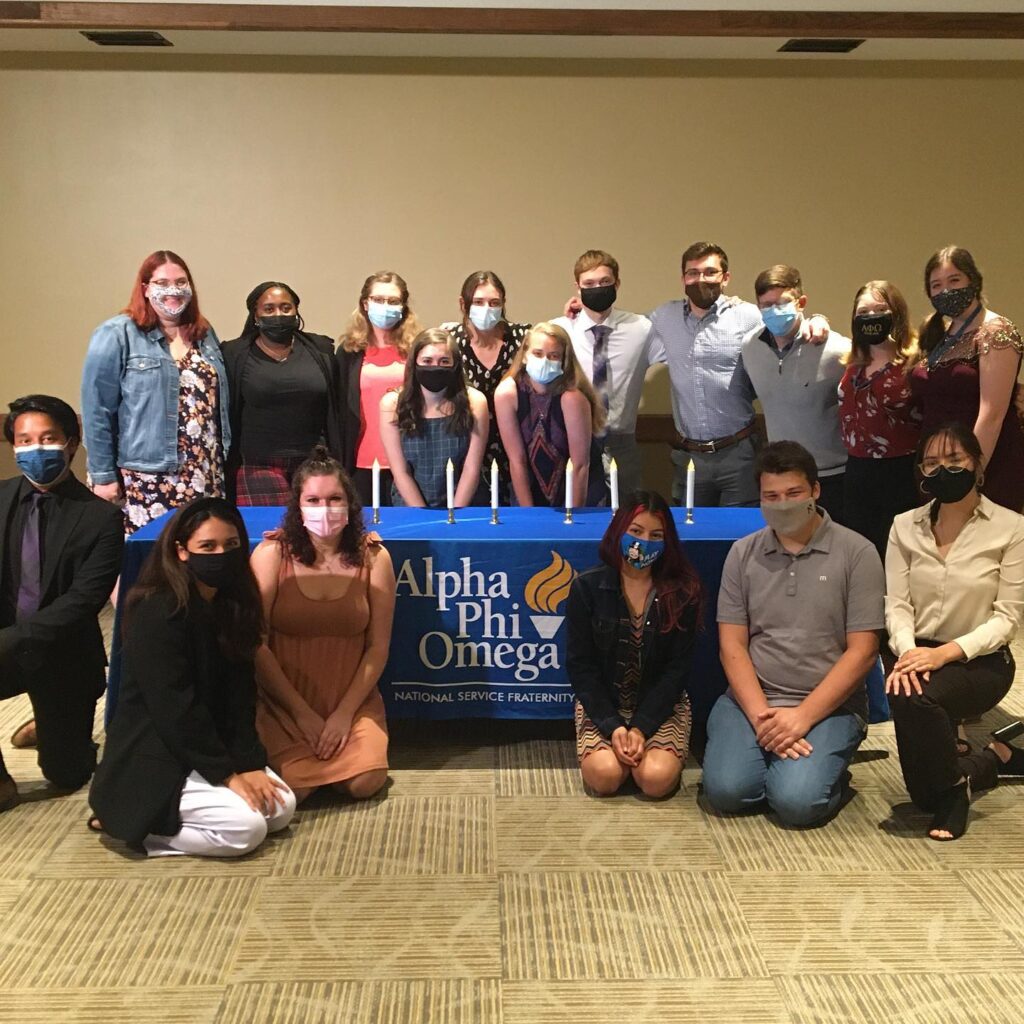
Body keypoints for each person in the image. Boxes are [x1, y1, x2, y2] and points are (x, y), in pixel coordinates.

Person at [89, 498, 296, 856]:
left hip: (209, 746)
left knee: (281, 808)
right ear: (181, 551)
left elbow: (240, 694)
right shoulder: (159, 610)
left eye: (231, 545)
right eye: (208, 546)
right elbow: (175, 710)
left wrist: (249, 764)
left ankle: (168, 814)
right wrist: (228, 776)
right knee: (246, 831)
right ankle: (132, 826)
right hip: (158, 753)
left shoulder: (232, 602)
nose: (222, 555)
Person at [702, 441, 884, 828]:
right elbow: (731, 644)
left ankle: (823, 769)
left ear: (815, 491)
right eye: (771, 496)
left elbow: (864, 652)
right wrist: (760, 717)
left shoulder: (858, 552)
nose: (782, 504)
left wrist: (802, 717)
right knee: (726, 792)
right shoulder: (742, 553)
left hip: (829, 705)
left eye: (793, 494)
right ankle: (782, 756)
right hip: (754, 699)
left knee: (797, 804)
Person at [884, 422, 1024, 840]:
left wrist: (943, 655)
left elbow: (1008, 618)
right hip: (913, 650)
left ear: (977, 465)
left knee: (912, 695)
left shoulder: (1011, 527)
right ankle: (983, 766)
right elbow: (896, 605)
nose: (943, 470)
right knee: (910, 688)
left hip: (979, 660)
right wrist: (911, 653)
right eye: (931, 463)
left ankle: (949, 790)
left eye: (954, 460)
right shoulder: (903, 526)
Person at [0, 396, 123, 813]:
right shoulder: (0, 499)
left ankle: (53, 726)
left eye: (47, 438)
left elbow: (83, 601)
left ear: (71, 444)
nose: (36, 449)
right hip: (6, 642)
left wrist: (12, 639)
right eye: (25, 440)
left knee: (65, 773)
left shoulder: (101, 518)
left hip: (63, 654)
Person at [250, 447, 395, 802]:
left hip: (350, 699)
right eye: (313, 499)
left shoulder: (375, 557)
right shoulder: (271, 556)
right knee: (296, 790)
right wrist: (303, 716)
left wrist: (344, 714)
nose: (325, 509)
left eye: (334, 499)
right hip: (285, 701)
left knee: (367, 782)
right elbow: (256, 642)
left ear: (350, 504)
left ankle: (346, 749)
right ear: (297, 506)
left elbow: (378, 647)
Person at [647, 242, 829, 507]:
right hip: (688, 457)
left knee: (742, 535)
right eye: (693, 273)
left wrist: (817, 318)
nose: (701, 279)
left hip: (739, 453)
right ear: (683, 278)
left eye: (710, 272)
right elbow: (624, 330)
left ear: (725, 277)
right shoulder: (664, 317)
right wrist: (580, 313)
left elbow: (788, 327)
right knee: (690, 537)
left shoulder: (748, 316)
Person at [81, 250, 230, 533]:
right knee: (148, 565)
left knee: (198, 560)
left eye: (180, 281)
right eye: (162, 283)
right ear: (145, 289)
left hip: (205, 473)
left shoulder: (204, 333)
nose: (173, 290)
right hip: (145, 479)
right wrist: (103, 477)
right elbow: (96, 410)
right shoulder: (116, 333)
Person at [566, 490, 702, 797]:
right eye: (636, 532)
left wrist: (641, 726)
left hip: (661, 706)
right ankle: (621, 753)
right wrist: (613, 726)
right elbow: (581, 668)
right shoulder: (586, 587)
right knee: (604, 777)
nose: (644, 542)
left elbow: (677, 671)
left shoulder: (682, 592)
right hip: (604, 705)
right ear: (619, 532)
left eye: (656, 535)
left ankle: (643, 755)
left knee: (655, 781)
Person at [909, 245, 1024, 512]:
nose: (945, 291)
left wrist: (968, 474)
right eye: (936, 285)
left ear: (973, 280)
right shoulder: (940, 333)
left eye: (954, 280)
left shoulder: (995, 330)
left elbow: (992, 413)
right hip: (936, 462)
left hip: (984, 464)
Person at [742, 265, 850, 522]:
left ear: (801, 302)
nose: (774, 310)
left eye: (782, 302)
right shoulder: (750, 348)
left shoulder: (838, 350)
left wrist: (820, 318)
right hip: (783, 479)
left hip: (833, 476)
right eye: (766, 305)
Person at [221, 281, 342, 505]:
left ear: (296, 311)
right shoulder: (234, 354)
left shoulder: (321, 350)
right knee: (269, 531)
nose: (278, 314)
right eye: (269, 309)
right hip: (258, 464)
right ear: (255, 315)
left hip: (314, 461)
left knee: (313, 533)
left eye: (286, 308)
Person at [552, 250, 655, 496]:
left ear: (617, 283)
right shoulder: (560, 329)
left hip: (622, 441)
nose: (597, 288)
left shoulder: (642, 328)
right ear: (577, 287)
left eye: (605, 282)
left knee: (628, 516)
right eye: (589, 284)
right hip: (575, 441)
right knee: (578, 516)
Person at [838, 280, 922, 560]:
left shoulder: (915, 364)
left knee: (898, 556)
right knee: (861, 556)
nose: (871, 316)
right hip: (856, 472)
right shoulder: (851, 364)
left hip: (901, 473)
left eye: (880, 309)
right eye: (864, 311)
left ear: (896, 313)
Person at [494, 322, 606, 508]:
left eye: (553, 356)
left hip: (578, 493)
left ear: (564, 361)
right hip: (528, 490)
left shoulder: (572, 399)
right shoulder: (507, 393)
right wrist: (528, 513)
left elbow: (580, 465)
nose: (545, 361)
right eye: (537, 354)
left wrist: (573, 517)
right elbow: (517, 460)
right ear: (524, 356)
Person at [336, 272, 424, 507]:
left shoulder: (418, 349)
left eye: (393, 301)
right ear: (365, 304)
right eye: (379, 299)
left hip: (410, 460)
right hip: (361, 462)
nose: (386, 306)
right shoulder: (349, 352)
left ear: (404, 306)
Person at [444, 271, 531, 503]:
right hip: (466, 450)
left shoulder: (523, 338)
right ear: (463, 303)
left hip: (517, 451)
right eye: (478, 302)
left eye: (494, 303)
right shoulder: (448, 341)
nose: (487, 308)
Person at [380, 328, 489, 508]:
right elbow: (401, 472)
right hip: (411, 506)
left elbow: (471, 469)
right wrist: (422, 514)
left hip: (464, 505)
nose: (435, 367)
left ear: (455, 365)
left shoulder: (475, 402)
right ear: (414, 363)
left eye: (444, 361)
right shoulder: (392, 405)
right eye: (427, 361)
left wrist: (454, 516)